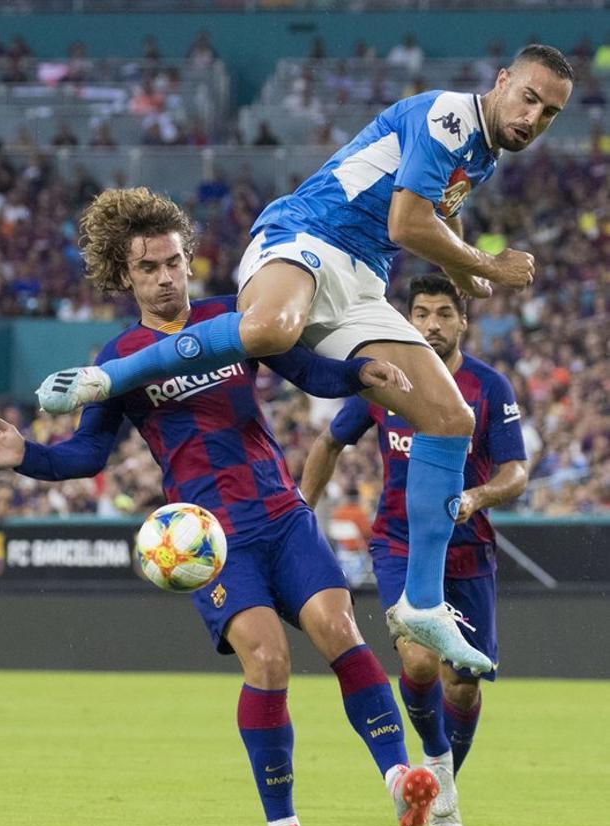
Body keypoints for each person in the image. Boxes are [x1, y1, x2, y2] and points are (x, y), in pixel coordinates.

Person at [36, 44, 573, 675]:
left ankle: (423, 604)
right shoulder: (451, 118)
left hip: (361, 279)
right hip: (306, 236)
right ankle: (107, 377)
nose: (534, 118)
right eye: (529, 98)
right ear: (502, 81)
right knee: (269, 328)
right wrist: (485, 263)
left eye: (550, 113)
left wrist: (460, 265)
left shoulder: (481, 153)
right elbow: (405, 223)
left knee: (450, 419)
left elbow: (411, 223)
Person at [0, 189, 439, 826]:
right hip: (213, 538)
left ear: (190, 261)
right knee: (270, 662)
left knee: (340, 628)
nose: (165, 276)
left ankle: (400, 777)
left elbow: (308, 370)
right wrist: (27, 455)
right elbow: (86, 458)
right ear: (126, 277)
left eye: (174, 261)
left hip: (281, 515)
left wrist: (358, 374)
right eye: (149, 267)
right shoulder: (118, 357)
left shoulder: (232, 320)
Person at [300, 274, 528, 826]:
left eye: (444, 313)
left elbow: (516, 471)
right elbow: (330, 441)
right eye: (421, 312)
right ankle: (437, 765)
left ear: (462, 321)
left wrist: (478, 495)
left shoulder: (488, 386)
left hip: (467, 550)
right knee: (420, 659)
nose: (432, 323)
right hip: (399, 541)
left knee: (464, 684)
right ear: (407, 320)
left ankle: (442, 776)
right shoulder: (389, 381)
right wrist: (300, 513)